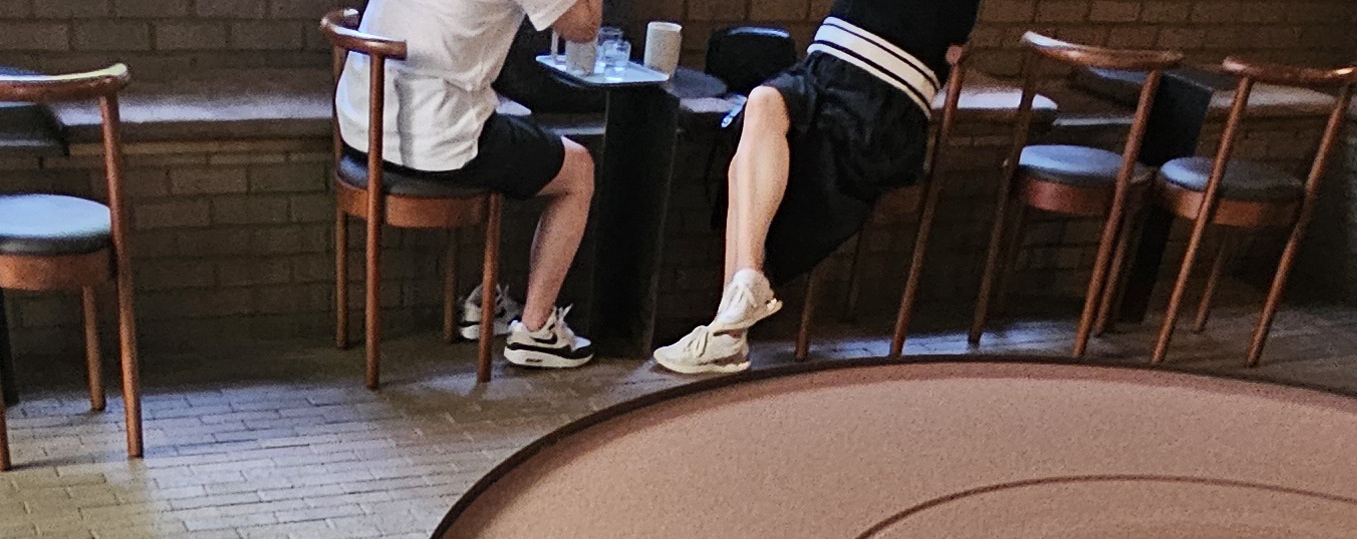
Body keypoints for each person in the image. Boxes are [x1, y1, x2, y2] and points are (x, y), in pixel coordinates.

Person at [652, 0, 979, 374]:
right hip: (820, 73)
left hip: (881, 102)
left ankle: (728, 335)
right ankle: (745, 289)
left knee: (760, 157)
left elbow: (954, 52)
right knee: (762, 101)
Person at [337, 0, 604, 367]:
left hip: (362, 125)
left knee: (509, 124)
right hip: (434, 138)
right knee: (578, 169)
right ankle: (536, 330)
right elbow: (584, 28)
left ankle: (487, 305)